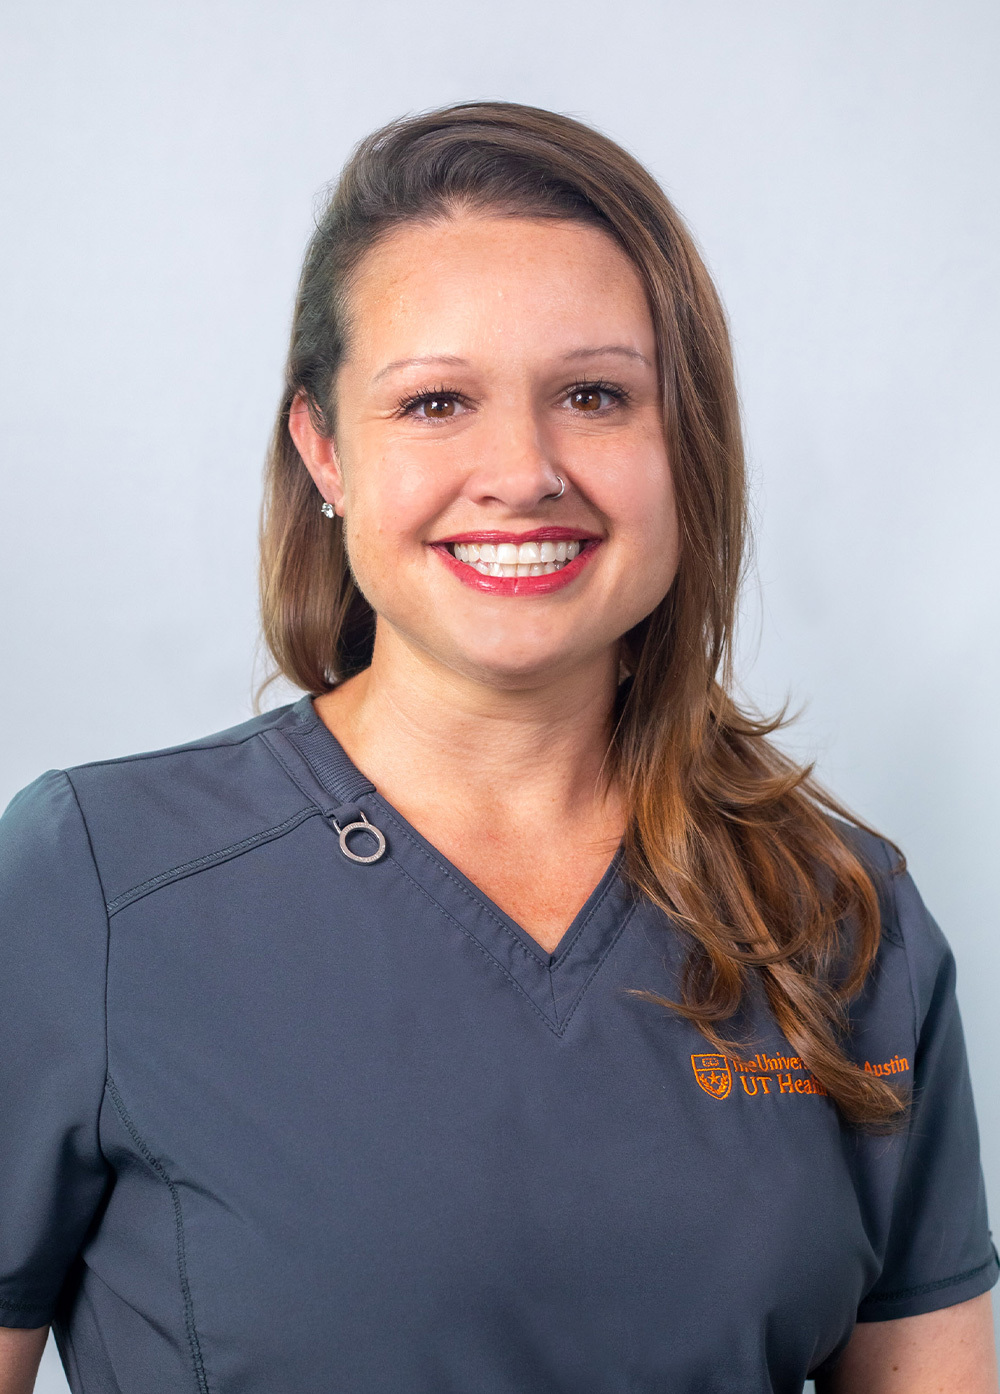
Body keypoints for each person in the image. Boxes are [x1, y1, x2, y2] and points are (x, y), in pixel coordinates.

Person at [0, 101, 996, 1394]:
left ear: (683, 442)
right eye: (436, 401)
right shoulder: (97, 885)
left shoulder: (843, 916)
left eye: (594, 395)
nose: (522, 471)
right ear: (323, 451)